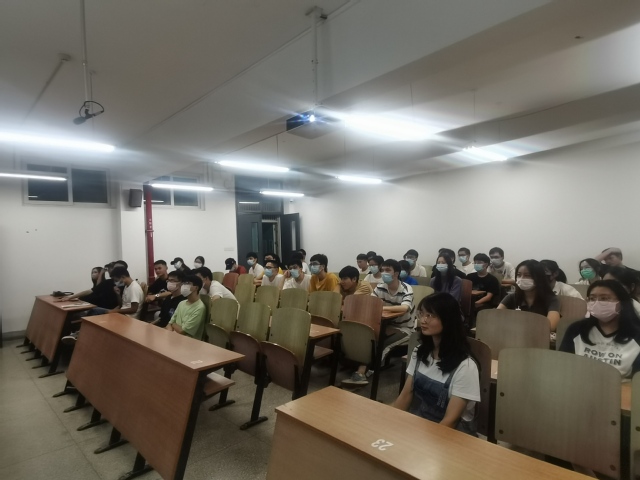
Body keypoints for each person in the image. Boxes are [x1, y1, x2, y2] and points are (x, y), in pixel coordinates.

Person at [393, 293, 480, 434]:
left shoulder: (466, 366)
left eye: (430, 315)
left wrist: (420, 442)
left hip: (451, 435)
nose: (423, 320)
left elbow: (450, 421)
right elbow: (405, 395)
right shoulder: (420, 352)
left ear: (448, 320)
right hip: (421, 427)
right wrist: (389, 422)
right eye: (422, 314)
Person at [343, 259, 414, 386]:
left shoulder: (406, 288)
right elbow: (371, 304)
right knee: (369, 339)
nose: (384, 273)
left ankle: (368, 371)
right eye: (383, 270)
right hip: (386, 324)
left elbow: (404, 308)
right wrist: (379, 307)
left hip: (405, 328)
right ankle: (361, 370)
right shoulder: (380, 287)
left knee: (384, 344)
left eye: (388, 270)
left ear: (396, 273)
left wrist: (381, 307)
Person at [560, 280, 640, 378]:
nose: (597, 303)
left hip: (620, 386)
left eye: (604, 298)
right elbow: (563, 365)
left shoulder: (637, 334)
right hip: (578, 383)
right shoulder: (577, 329)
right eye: (592, 299)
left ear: (622, 303)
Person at [498, 259, 560, 331]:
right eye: (519, 275)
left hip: (539, 335)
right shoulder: (511, 297)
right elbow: (495, 317)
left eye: (527, 275)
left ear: (539, 278)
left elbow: (551, 326)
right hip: (514, 334)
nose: (521, 279)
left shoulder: (551, 300)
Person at [166, 275, 206, 339]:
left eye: (187, 283)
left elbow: (182, 331)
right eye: (183, 283)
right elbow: (170, 323)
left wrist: (173, 324)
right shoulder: (181, 303)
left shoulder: (199, 307)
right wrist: (170, 333)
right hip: (173, 337)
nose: (184, 286)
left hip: (188, 342)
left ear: (196, 288)